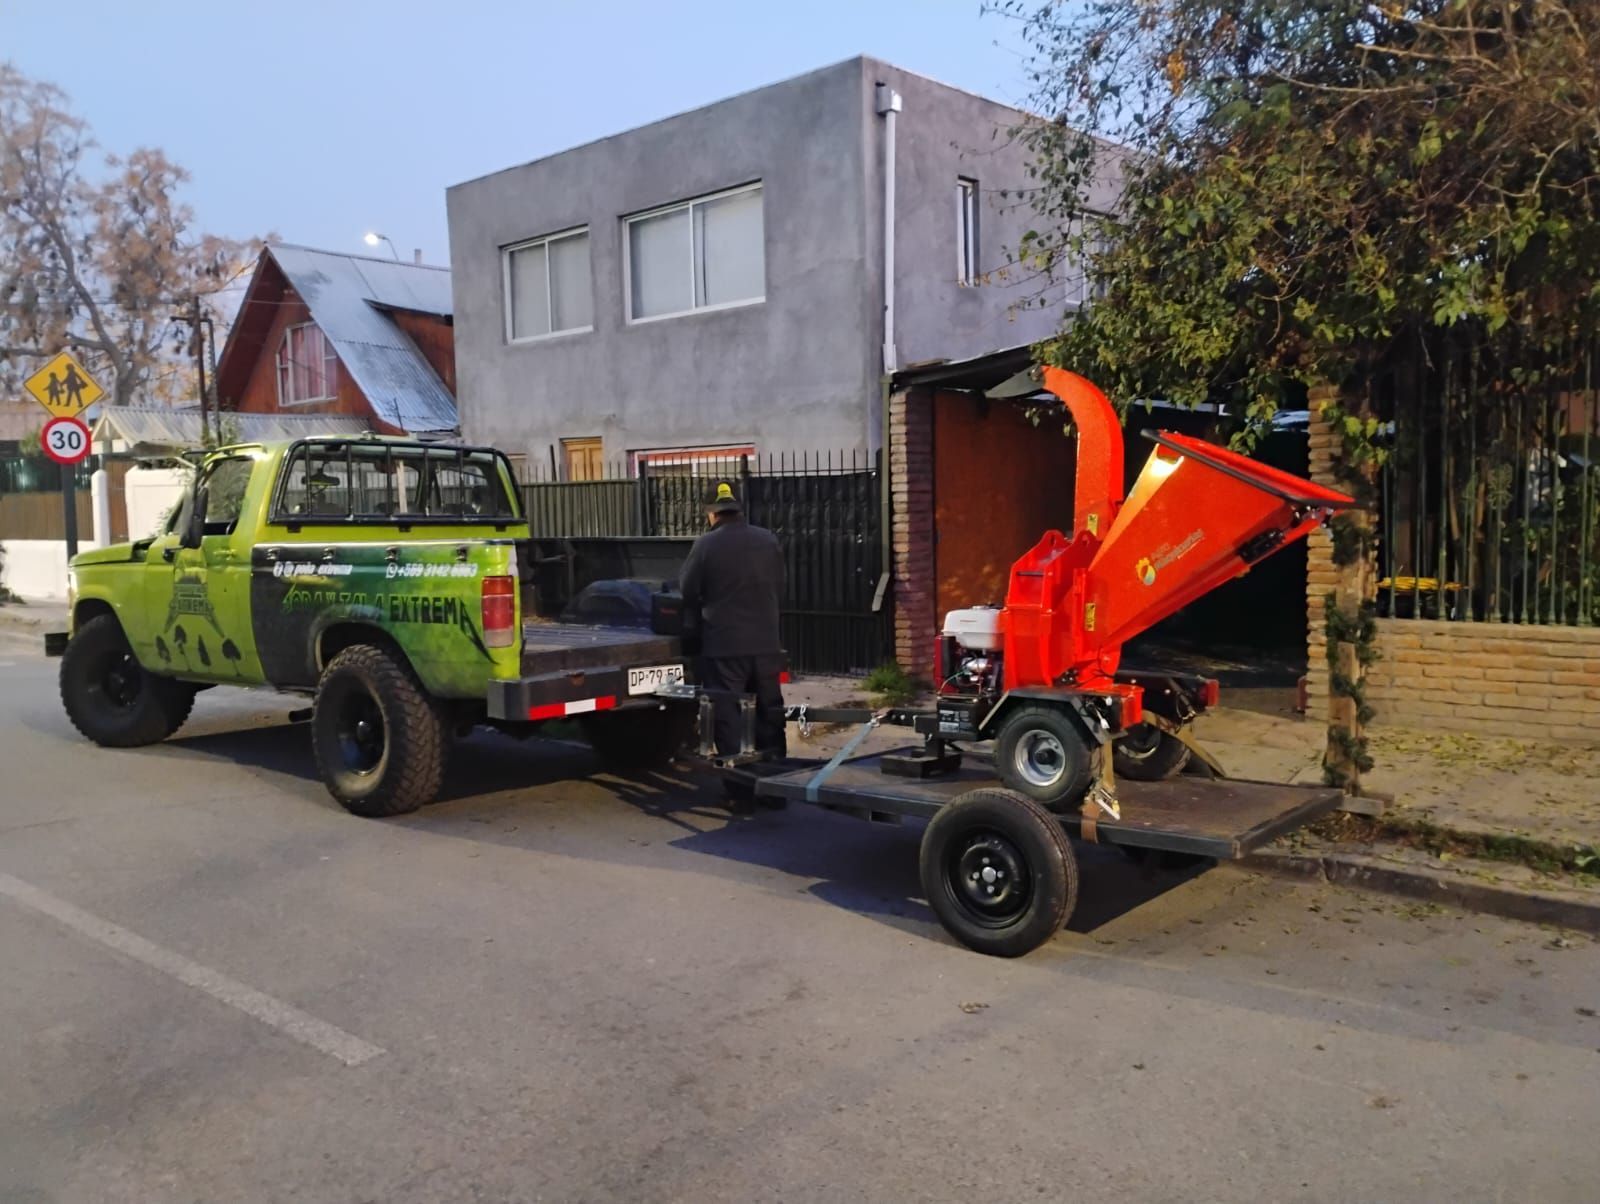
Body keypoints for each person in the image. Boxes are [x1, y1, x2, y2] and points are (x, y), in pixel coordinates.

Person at [678, 481, 787, 758]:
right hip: (767, 643)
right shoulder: (768, 539)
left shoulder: (705, 545)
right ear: (738, 507)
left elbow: (687, 591)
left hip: (725, 646)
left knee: (728, 717)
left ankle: (742, 791)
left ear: (711, 513)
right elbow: (779, 583)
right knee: (769, 712)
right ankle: (774, 784)